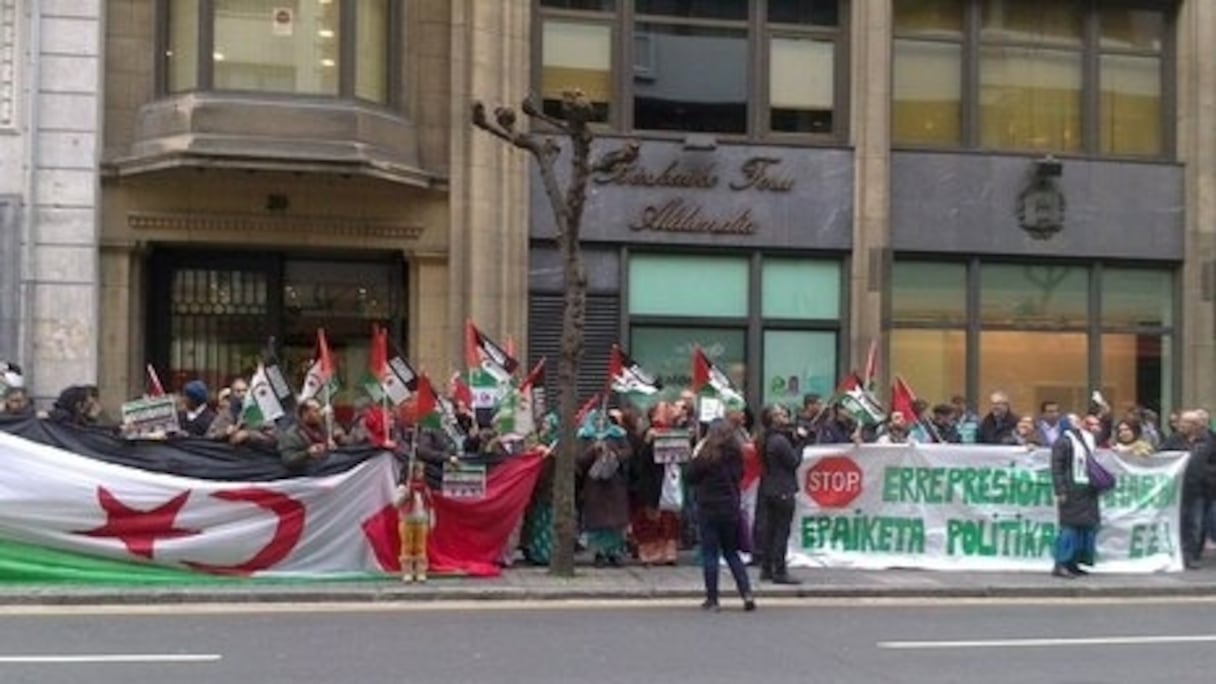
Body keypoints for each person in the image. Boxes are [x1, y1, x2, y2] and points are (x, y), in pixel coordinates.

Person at [686, 419, 755, 612]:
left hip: (708, 506)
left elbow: (690, 476)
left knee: (710, 553)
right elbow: (740, 475)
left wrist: (696, 454)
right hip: (730, 505)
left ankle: (713, 599)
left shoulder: (705, 454)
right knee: (731, 552)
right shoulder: (735, 454)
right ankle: (746, 594)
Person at [576, 409, 632, 567]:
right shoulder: (585, 436)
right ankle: (599, 553)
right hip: (594, 485)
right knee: (598, 521)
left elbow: (628, 452)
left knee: (615, 521)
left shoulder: (617, 434)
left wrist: (613, 452)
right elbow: (579, 459)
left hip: (615, 484)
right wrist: (592, 450)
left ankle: (615, 552)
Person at [1049, 413, 1102, 578]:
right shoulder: (1062, 442)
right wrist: (1061, 490)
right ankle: (1061, 563)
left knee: (1084, 528)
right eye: (1075, 420)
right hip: (1071, 491)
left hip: (1086, 490)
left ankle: (1074, 563)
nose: (1079, 423)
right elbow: (1057, 468)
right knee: (1069, 528)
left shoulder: (1086, 440)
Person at [629, 402, 681, 566]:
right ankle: (650, 553)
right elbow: (639, 463)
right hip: (651, 483)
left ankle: (668, 552)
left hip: (670, 480)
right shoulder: (647, 434)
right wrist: (647, 442)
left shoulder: (676, 433)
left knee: (669, 519)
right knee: (650, 519)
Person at [756, 404, 801, 585]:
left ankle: (766, 568)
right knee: (781, 530)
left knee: (771, 530)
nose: (785, 416)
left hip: (770, 487)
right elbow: (793, 461)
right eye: (780, 414)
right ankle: (779, 570)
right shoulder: (780, 441)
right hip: (782, 488)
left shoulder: (767, 438)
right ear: (773, 419)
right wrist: (801, 444)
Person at [393, 459, 435, 583]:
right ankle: (407, 572)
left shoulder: (424, 489)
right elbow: (395, 504)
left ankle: (420, 572)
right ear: (410, 473)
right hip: (406, 521)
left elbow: (429, 505)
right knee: (407, 547)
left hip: (421, 521)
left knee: (420, 547)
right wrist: (404, 496)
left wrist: (431, 519)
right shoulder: (403, 487)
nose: (421, 474)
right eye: (419, 471)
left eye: (422, 471)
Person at [277, 399, 335, 471]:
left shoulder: (322, 427)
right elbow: (288, 460)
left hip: (327, 462)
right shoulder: (291, 435)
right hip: (310, 469)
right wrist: (307, 453)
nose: (320, 413)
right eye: (316, 411)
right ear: (305, 413)